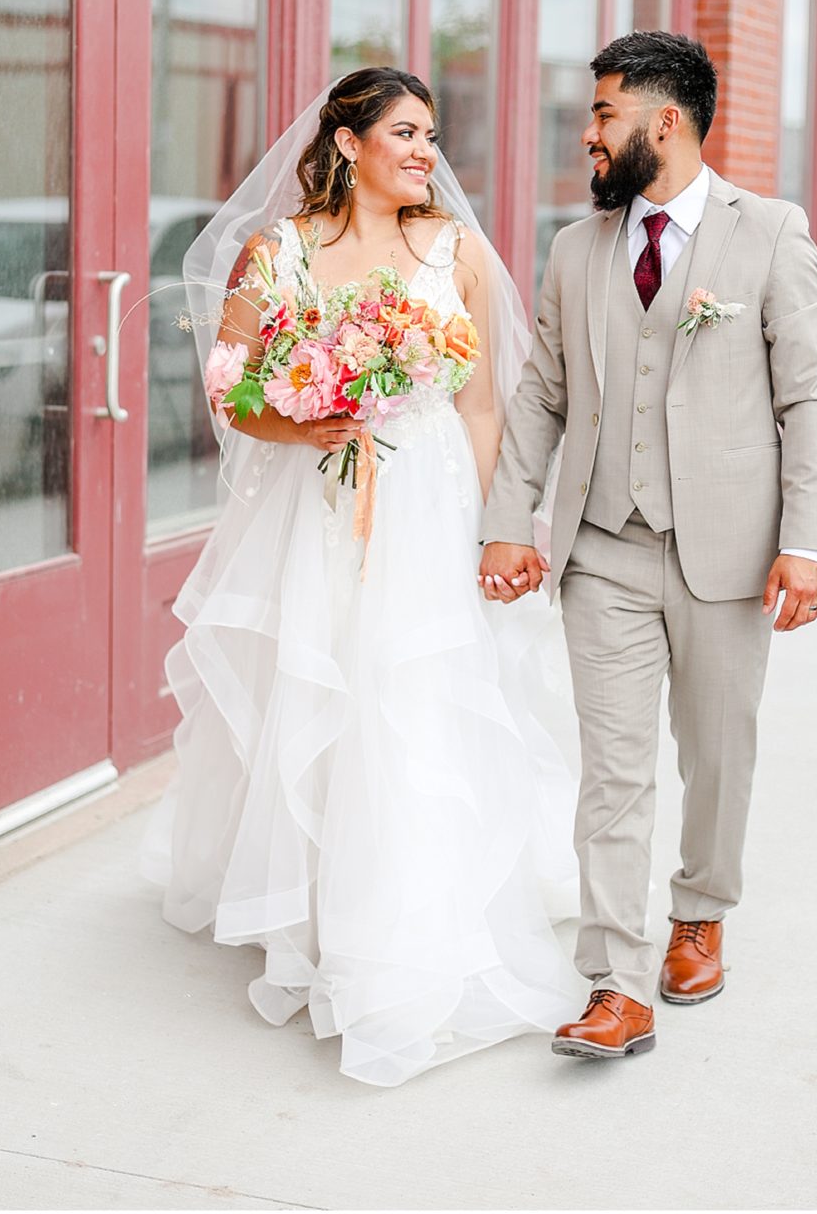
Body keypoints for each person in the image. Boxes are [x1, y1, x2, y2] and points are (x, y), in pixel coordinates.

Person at [141, 67, 585, 1087]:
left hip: (431, 510)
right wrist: (301, 418)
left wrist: (497, 530)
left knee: (413, 698)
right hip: (319, 510)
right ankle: (308, 907)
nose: (427, 152)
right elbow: (232, 385)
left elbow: (481, 408)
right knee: (323, 683)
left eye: (432, 135)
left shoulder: (458, 252)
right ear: (348, 144)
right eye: (405, 131)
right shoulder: (279, 252)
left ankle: (407, 919)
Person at [479, 31, 817, 1061]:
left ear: (663, 121)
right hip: (603, 552)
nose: (587, 133)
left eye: (603, 114)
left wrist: (805, 542)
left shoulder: (768, 233)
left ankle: (700, 910)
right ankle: (615, 981)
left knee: (717, 754)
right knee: (613, 771)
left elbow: (807, 396)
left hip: (727, 553)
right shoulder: (571, 249)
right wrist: (510, 520)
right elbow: (541, 395)